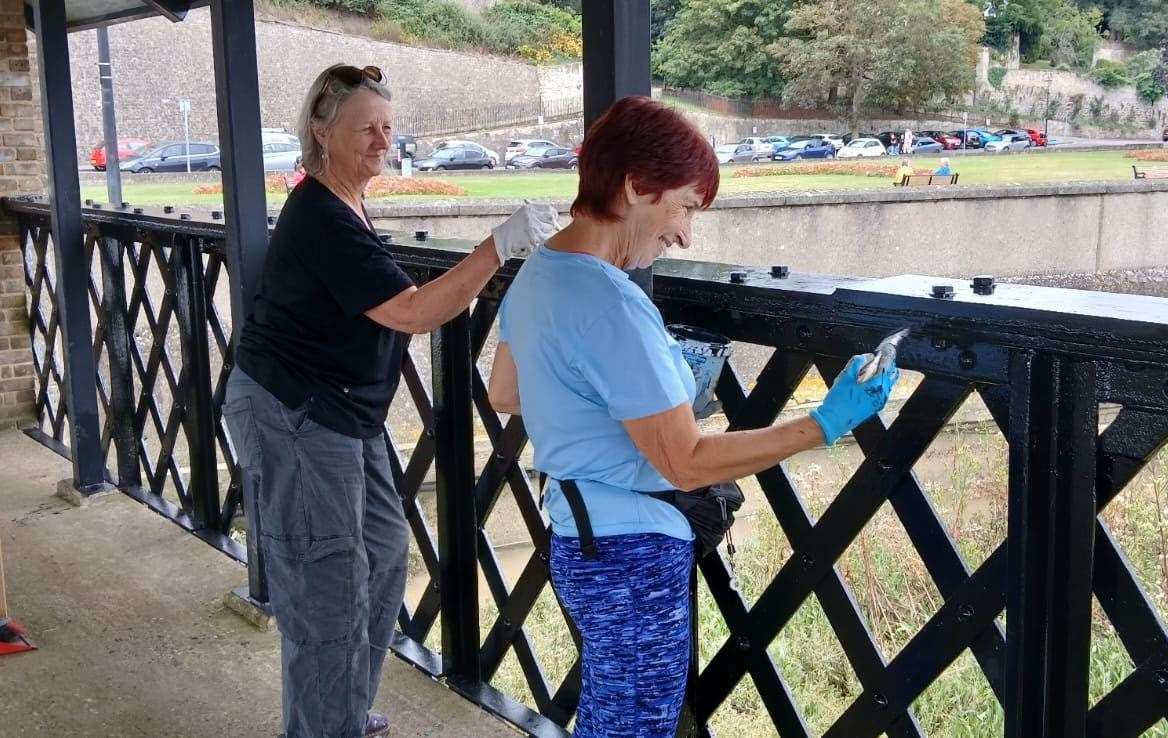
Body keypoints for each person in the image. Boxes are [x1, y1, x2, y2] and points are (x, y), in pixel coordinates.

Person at [487, 96, 900, 737]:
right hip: (632, 555)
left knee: (608, 714)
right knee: (634, 727)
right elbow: (684, 462)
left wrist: (636, 385)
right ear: (634, 187)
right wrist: (822, 424)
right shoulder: (611, 304)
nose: (685, 233)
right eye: (683, 206)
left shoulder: (538, 273)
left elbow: (508, 391)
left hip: (577, 538)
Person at [222, 63, 558, 738]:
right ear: (321, 131)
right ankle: (326, 727)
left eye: (388, 127)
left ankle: (339, 714)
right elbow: (412, 311)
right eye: (365, 129)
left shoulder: (344, 202)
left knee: (381, 554)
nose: (382, 140)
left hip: (344, 413)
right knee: (328, 591)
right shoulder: (320, 212)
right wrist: (499, 245)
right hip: (295, 412)